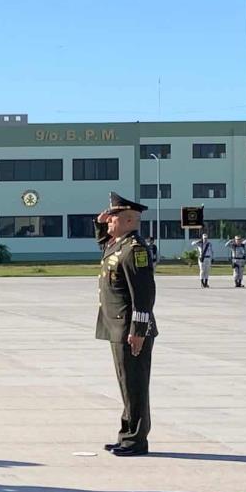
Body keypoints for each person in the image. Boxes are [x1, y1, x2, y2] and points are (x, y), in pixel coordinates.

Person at [94, 192, 158, 457]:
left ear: (128, 220)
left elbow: (143, 295)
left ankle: (136, 440)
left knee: (135, 385)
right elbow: (104, 247)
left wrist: (138, 331)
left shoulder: (135, 250)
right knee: (126, 384)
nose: (108, 222)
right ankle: (127, 434)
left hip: (130, 330)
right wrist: (99, 225)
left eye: (112, 218)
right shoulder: (118, 245)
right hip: (117, 327)